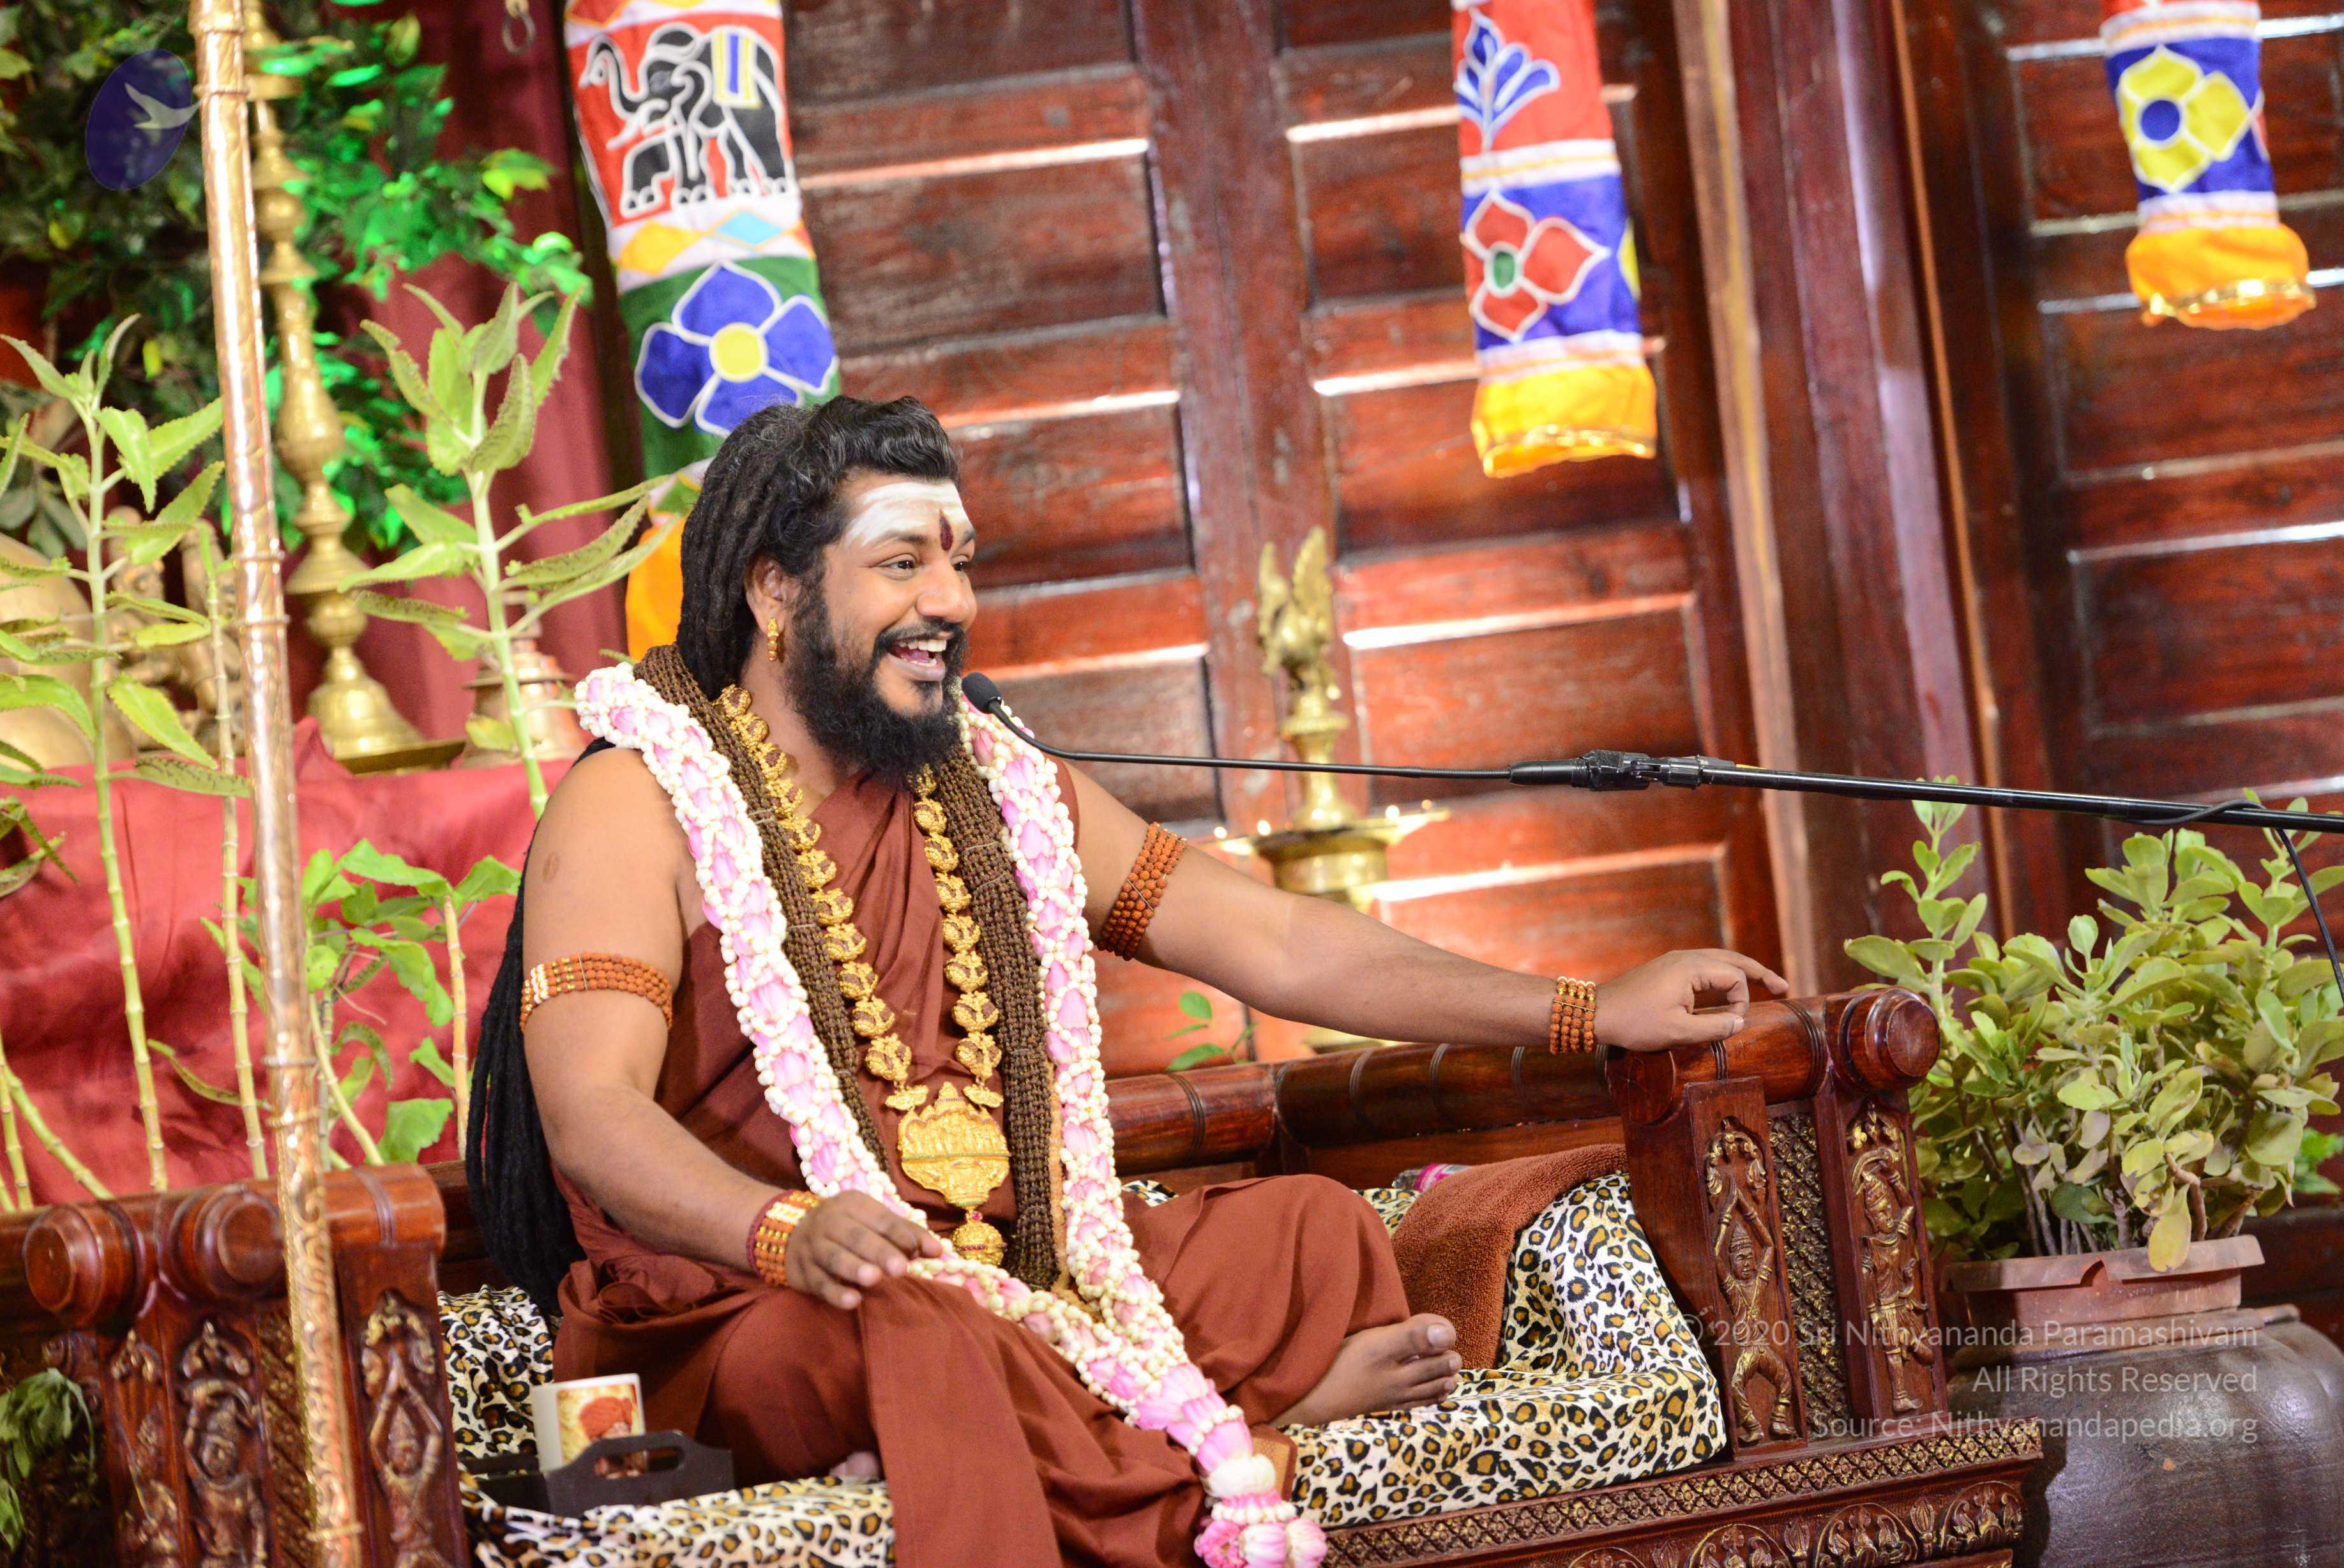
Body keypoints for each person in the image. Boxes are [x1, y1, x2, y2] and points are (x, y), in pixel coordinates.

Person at [467, 395, 1787, 1568]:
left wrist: (1585, 1008)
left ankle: (1053, 1437)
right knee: (919, 1336)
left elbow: (1275, 943)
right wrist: (785, 1230)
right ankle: (1235, 1445)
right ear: (775, 589)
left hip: (1023, 1272)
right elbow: (593, 1113)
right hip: (762, 1306)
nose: (952, 602)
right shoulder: (635, 800)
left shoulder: (991, 785)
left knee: (1311, 1236)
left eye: (962, 562)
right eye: (903, 562)